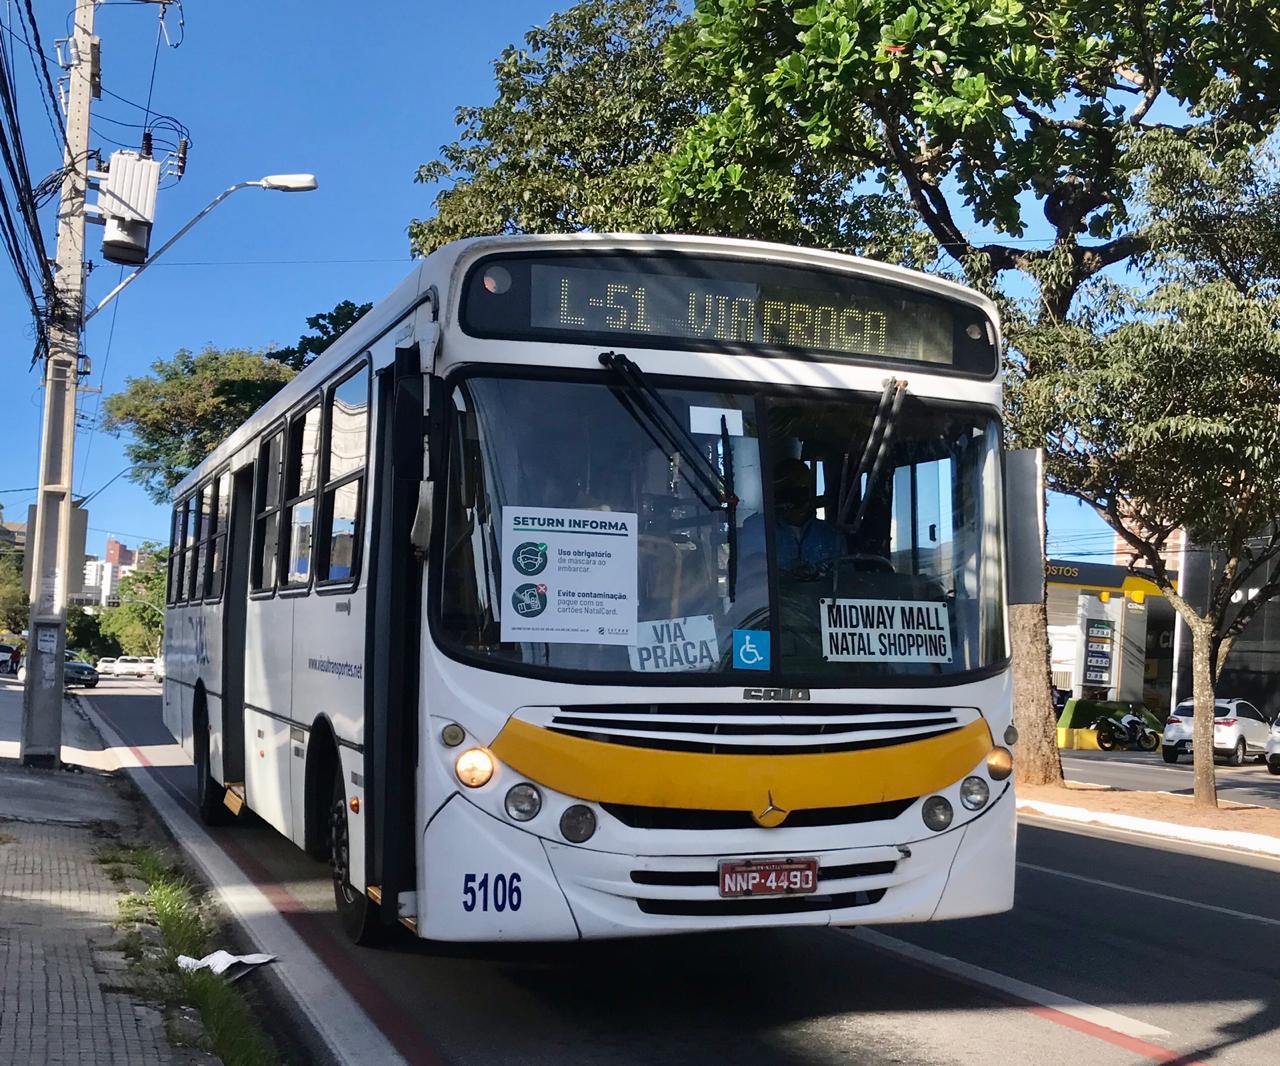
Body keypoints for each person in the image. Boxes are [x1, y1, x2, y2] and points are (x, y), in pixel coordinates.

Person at [740, 457, 842, 573]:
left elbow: (844, 577)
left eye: (802, 491)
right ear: (775, 493)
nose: (796, 499)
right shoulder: (758, 526)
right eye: (788, 492)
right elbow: (751, 568)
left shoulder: (829, 534)